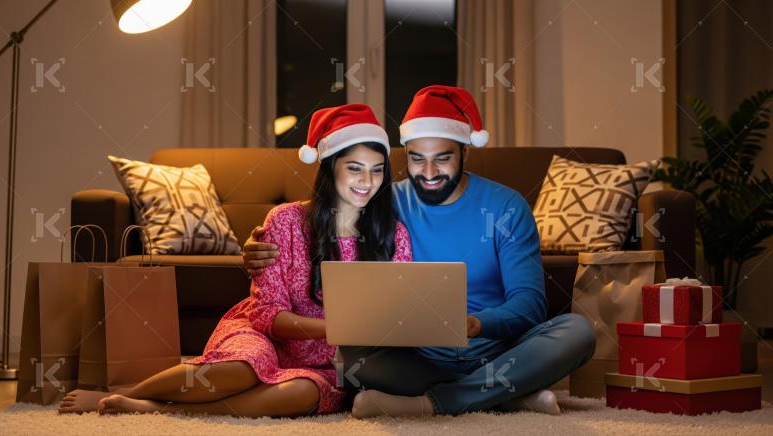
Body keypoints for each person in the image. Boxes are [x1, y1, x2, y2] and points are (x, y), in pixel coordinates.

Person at [243, 85, 596, 418]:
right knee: (352, 359)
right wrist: (256, 247)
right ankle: (509, 395)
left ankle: (437, 402)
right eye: (416, 159)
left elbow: (530, 304)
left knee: (577, 332)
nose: (428, 173)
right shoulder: (385, 202)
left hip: (498, 347)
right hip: (418, 355)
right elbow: (318, 221)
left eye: (442, 158)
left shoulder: (506, 207)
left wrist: (475, 324)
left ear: (465, 151)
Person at [59, 104, 412, 417]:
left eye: (377, 170)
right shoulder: (285, 221)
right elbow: (267, 314)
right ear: (330, 166)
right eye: (355, 168)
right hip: (265, 337)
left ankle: (153, 409)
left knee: (301, 394)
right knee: (241, 368)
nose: (368, 181)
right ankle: (123, 393)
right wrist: (339, 326)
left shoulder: (393, 235)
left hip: (329, 363)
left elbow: (396, 314)